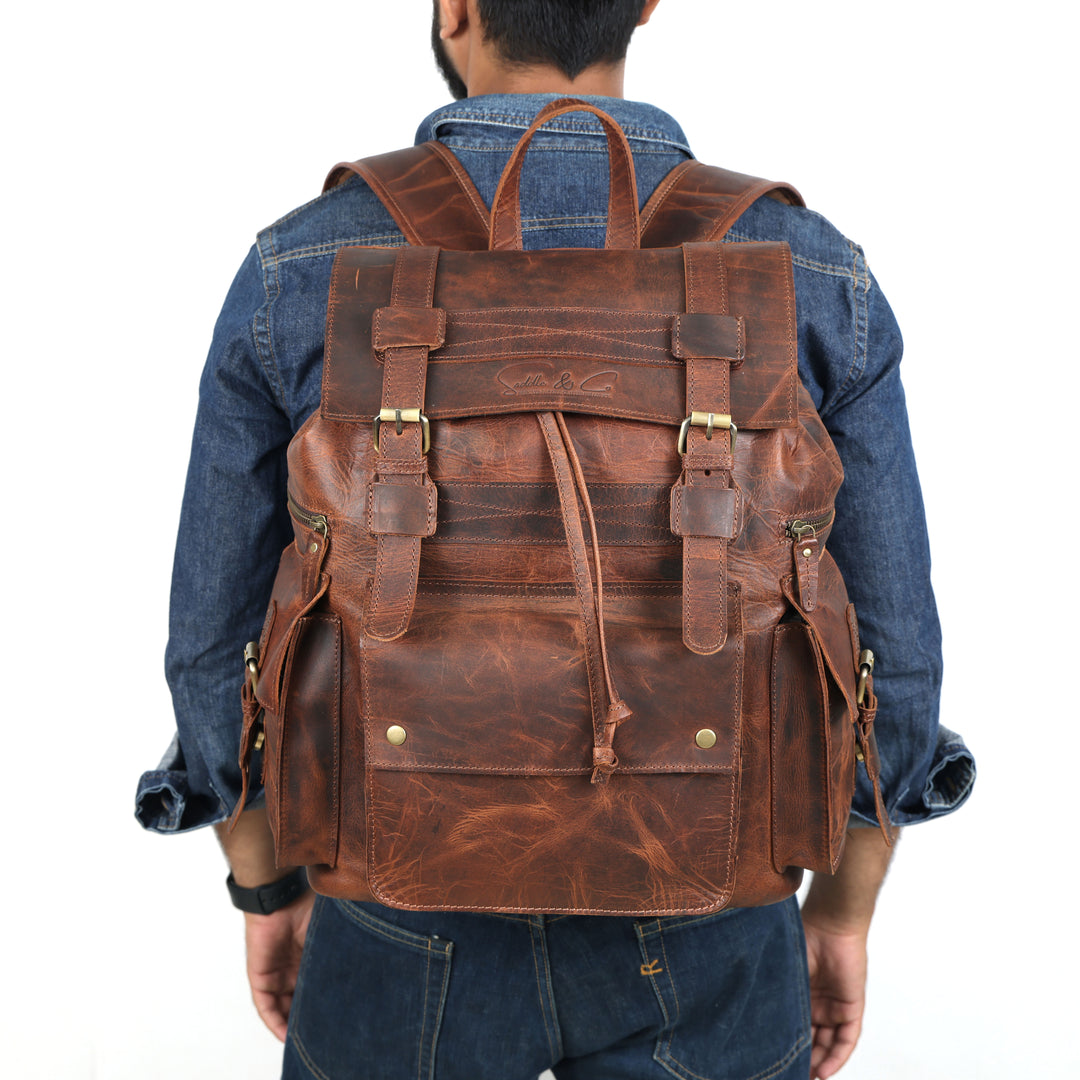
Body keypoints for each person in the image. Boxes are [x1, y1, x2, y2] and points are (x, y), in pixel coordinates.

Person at [135, 2, 975, 1077]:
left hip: (391, 906)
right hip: (715, 907)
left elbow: (212, 641)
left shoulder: (304, 264)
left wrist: (265, 882)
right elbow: (895, 656)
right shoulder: (808, 271)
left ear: (455, 9)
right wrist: (845, 907)